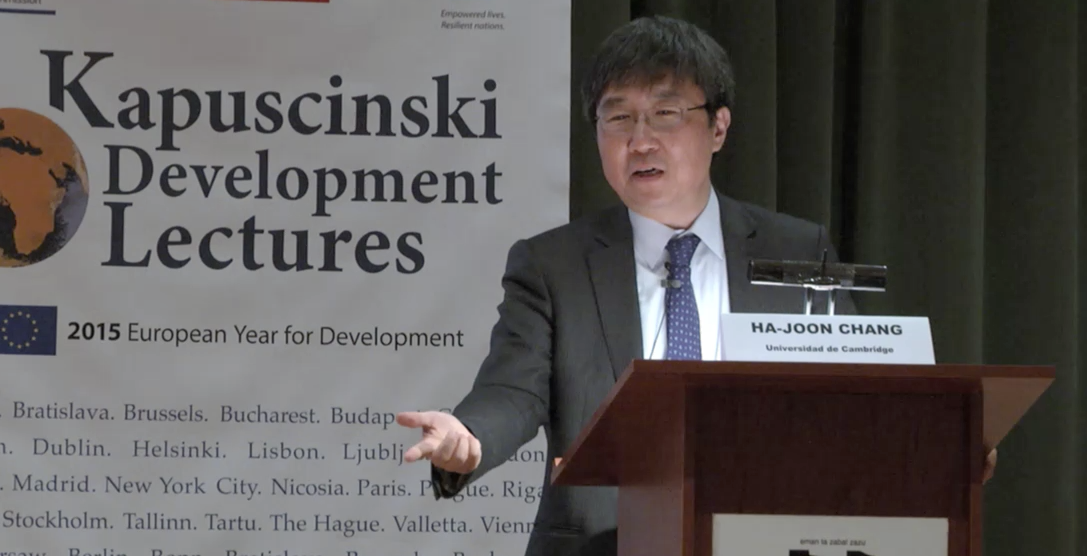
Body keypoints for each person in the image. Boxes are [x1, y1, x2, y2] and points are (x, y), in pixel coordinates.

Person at [397, 15, 997, 556]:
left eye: (666, 113)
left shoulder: (796, 249)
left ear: (718, 127)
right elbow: (511, 390)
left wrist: (936, 446)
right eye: (618, 117)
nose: (641, 140)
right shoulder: (554, 265)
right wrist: (468, 436)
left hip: (770, 538)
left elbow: (858, 395)